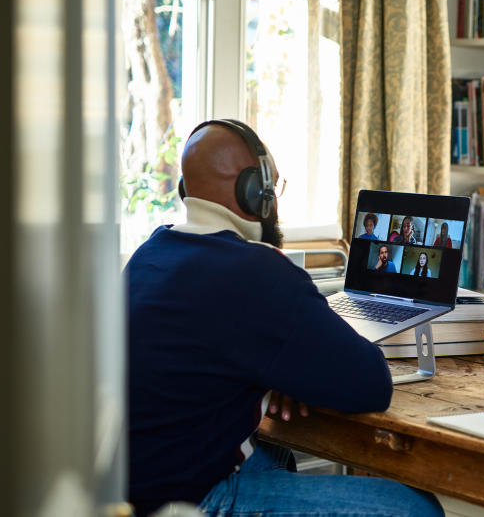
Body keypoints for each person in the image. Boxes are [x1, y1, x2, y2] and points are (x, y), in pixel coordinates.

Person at [124, 120, 443, 517]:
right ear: (253, 191)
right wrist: (292, 367)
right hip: (194, 498)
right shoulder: (256, 270)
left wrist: (279, 371)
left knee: (274, 451)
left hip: (132, 488)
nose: (274, 200)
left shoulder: (150, 254)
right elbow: (372, 385)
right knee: (416, 509)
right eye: (271, 186)